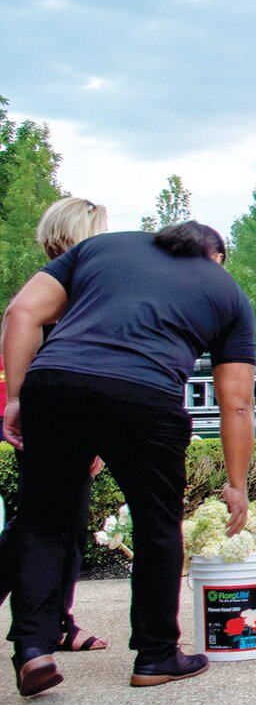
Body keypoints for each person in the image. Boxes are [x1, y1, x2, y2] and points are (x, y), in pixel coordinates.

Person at [2, 221, 256, 696]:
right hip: (147, 396)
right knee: (156, 523)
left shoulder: (100, 248)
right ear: (215, 256)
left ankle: (33, 650)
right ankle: (156, 655)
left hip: (56, 384)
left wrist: (17, 400)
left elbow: (21, 313)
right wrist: (236, 485)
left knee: (42, 521)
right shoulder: (227, 291)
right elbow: (237, 402)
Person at [0, 197, 112, 653]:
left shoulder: (57, 287)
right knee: (46, 525)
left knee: (59, 523)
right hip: (48, 420)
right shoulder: (63, 292)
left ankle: (56, 621)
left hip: (48, 417)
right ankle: (50, 626)